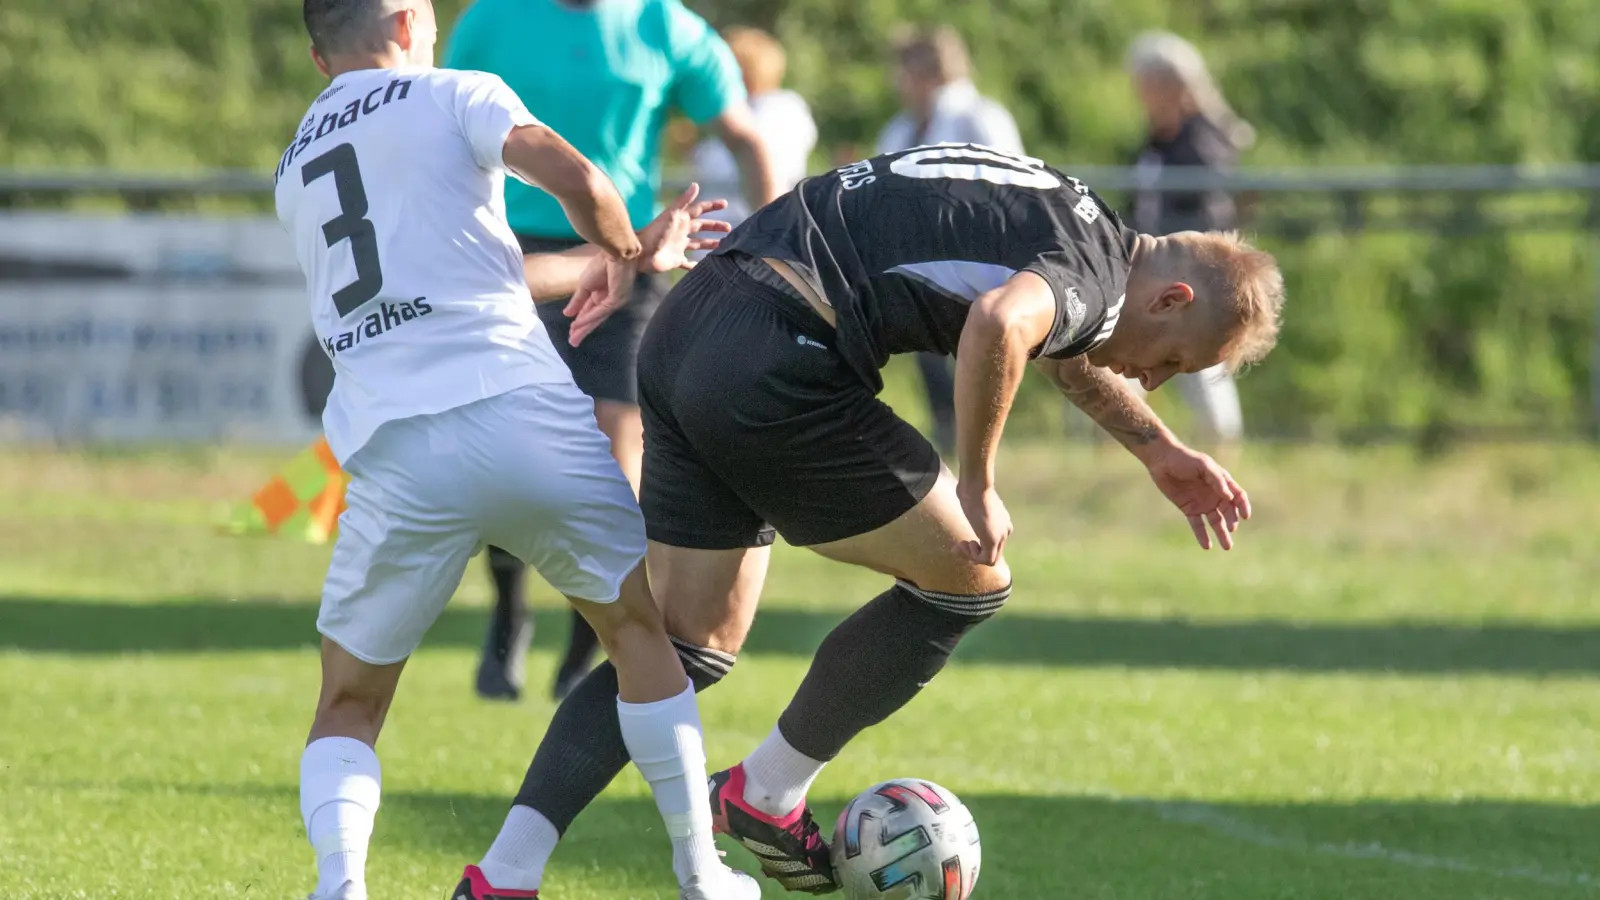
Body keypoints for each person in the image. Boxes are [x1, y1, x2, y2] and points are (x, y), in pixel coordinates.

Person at [481, 143, 1284, 894]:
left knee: (679, 647)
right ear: (1171, 299)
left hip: (690, 326)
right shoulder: (1095, 271)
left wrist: (1157, 449)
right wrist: (979, 481)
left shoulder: (1082, 222)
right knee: (968, 580)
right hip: (775, 353)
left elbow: (1056, 338)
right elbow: (1003, 322)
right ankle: (766, 792)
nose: (1155, 379)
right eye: (1172, 360)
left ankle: (504, 874)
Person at [276, 3, 754, 899]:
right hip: (519, 409)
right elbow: (578, 175)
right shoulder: (456, 92)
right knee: (637, 635)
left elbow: (467, 278)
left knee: (348, 701)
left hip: (392, 448)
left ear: (317, 57)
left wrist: (608, 263)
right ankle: (701, 874)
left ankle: (339, 886)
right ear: (410, 22)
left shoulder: (296, 161)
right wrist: (629, 247)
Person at [445, 0, 782, 704]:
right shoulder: (492, 19)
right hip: (510, 254)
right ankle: (509, 614)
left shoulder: (665, 25)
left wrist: (777, 254)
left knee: (613, 457)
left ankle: (583, 646)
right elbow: (441, 137)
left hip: (625, 251)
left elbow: (745, 137)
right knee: (509, 450)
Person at [875, 25, 1024, 457]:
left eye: (904, 70)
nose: (898, 81)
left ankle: (981, 435)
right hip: (923, 263)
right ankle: (949, 430)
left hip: (979, 257)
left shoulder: (980, 117)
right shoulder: (902, 127)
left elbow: (1012, 186)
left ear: (926, 70)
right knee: (929, 351)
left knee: (979, 349)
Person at [1123, 31, 1258, 450]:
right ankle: (1120, 440)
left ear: (1166, 85)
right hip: (1151, 272)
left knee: (1198, 363)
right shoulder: (1158, 139)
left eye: (1144, 85)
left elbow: (1211, 218)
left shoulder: (1201, 143)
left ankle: (1223, 448)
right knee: (1130, 355)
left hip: (1188, 277)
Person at [691, 26, 816, 226]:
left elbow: (719, 166)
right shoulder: (791, 108)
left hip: (738, 225)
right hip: (760, 223)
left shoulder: (760, 113)